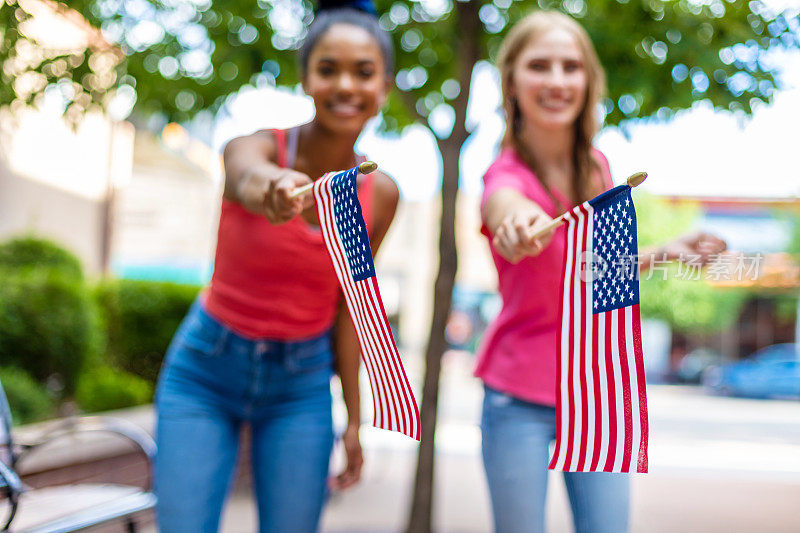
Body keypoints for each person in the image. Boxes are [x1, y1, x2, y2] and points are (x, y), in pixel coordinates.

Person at [477, 10, 726, 533]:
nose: (556, 80)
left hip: (593, 390)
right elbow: (507, 207)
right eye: (539, 65)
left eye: (571, 67)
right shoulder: (504, 174)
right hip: (516, 394)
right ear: (512, 81)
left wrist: (668, 249)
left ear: (588, 81)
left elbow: (596, 274)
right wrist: (517, 223)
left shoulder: (598, 169)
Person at [153, 1, 398, 531]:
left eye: (364, 72)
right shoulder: (258, 146)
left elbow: (351, 307)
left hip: (302, 384)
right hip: (206, 368)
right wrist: (276, 188)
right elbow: (245, 174)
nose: (345, 86)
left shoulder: (380, 194)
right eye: (328, 69)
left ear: (385, 87)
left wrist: (354, 421)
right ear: (307, 78)